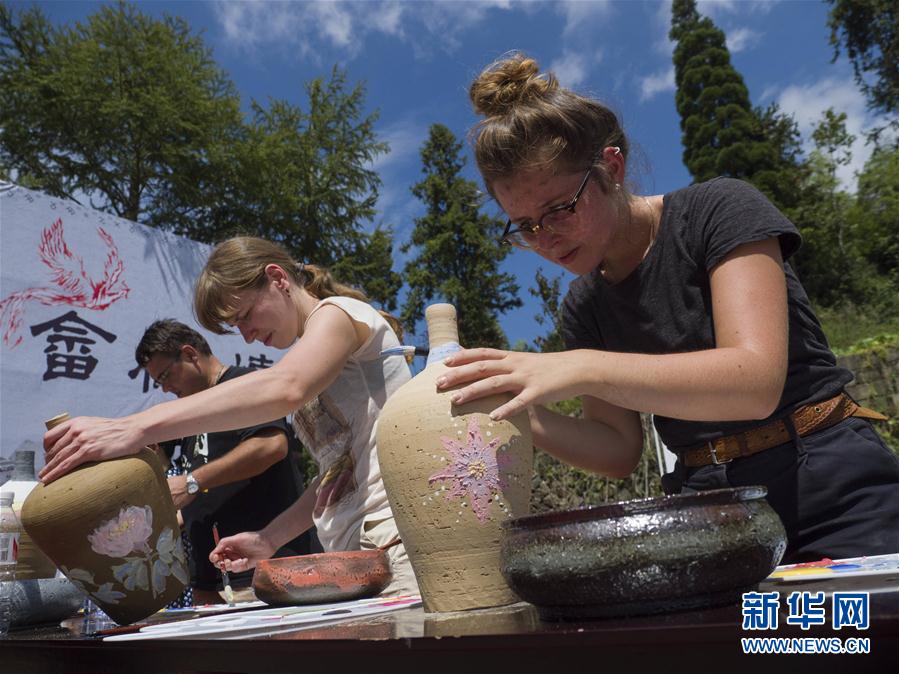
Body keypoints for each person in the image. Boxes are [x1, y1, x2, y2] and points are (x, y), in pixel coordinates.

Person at [435, 52, 899, 564]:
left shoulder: (719, 211)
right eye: (524, 225)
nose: (545, 238)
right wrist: (516, 409)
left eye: (560, 209)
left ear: (611, 167)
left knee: (833, 640)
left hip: (829, 489)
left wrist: (580, 367)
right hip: (709, 511)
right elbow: (617, 449)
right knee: (730, 644)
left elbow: (755, 381)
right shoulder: (585, 304)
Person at [42, 237, 418, 597]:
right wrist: (269, 538)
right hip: (356, 551)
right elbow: (336, 476)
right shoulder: (316, 352)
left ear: (277, 278)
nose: (249, 337)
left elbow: (285, 386)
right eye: (236, 328)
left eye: (245, 316)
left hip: (396, 539)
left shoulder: (339, 312)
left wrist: (133, 427)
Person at [135, 319, 314, 604]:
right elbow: (212, 491)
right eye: (159, 382)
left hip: (269, 573)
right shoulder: (195, 415)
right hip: (214, 581)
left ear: (191, 354)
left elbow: (271, 445)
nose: (166, 388)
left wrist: (192, 483)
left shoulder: (244, 384)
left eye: (167, 375)